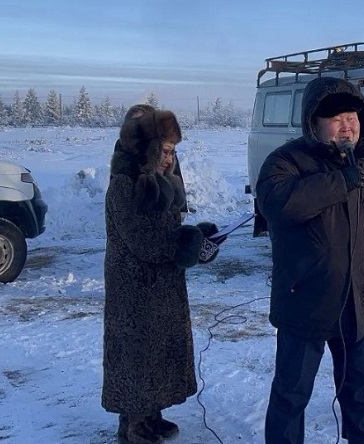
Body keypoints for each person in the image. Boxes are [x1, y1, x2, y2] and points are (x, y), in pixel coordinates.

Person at [257, 77, 364, 444]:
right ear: (313, 123)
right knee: (291, 394)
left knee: (359, 393)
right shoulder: (286, 161)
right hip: (306, 302)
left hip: (361, 303)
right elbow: (279, 205)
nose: (347, 126)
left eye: (352, 117)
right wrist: (340, 181)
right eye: (336, 119)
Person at [102, 104, 220, 444]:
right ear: (146, 150)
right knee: (137, 355)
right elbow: (146, 243)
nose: (169, 159)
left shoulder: (164, 184)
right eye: (164, 151)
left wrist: (202, 238)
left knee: (159, 352)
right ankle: (133, 423)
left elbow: (170, 236)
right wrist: (188, 242)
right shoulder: (124, 186)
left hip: (162, 286)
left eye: (172, 152)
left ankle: (152, 414)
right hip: (134, 290)